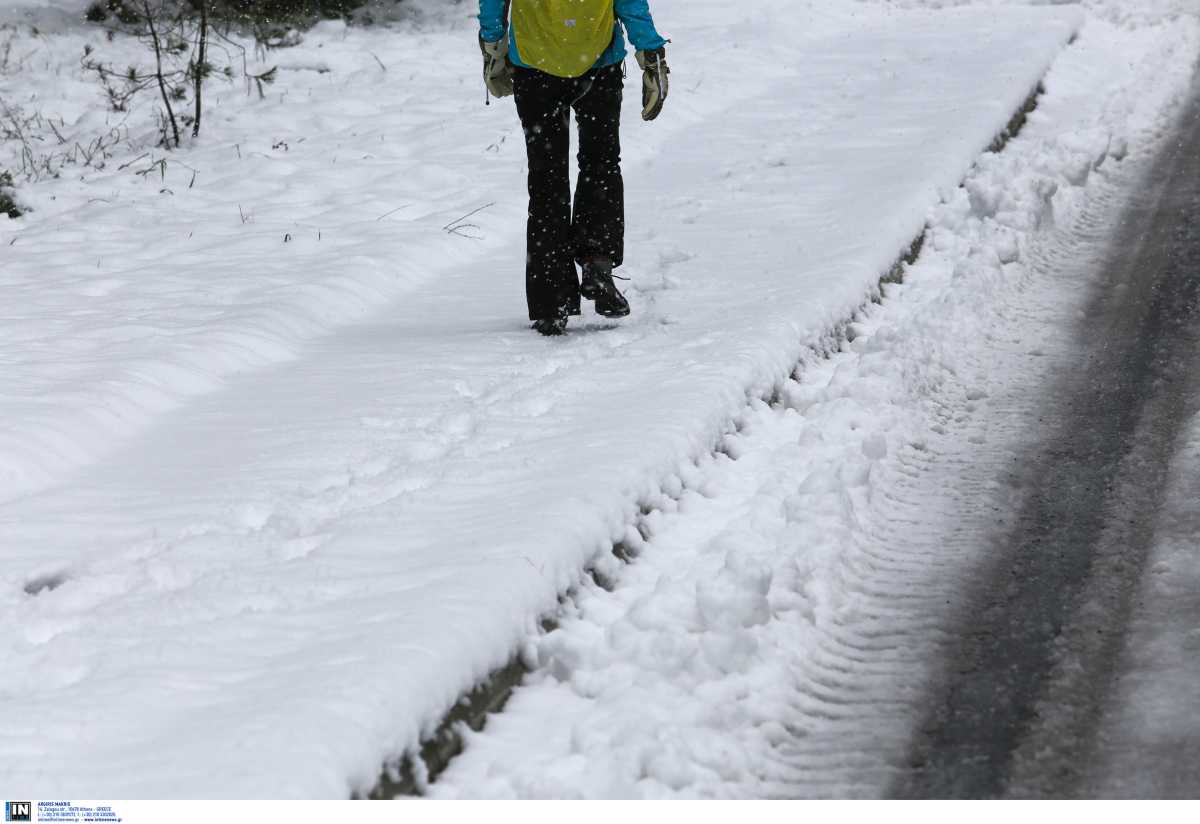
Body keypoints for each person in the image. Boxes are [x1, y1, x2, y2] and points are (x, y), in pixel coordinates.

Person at [477, 0, 670, 336]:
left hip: (535, 64)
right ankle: (597, 260)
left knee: (547, 179)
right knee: (601, 165)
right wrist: (650, 52)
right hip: (598, 63)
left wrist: (493, 44)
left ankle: (551, 303)